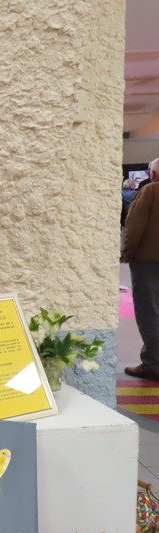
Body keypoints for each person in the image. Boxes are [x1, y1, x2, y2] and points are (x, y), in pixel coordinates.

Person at [123, 157, 159, 381]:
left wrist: (126, 253)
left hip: (149, 261)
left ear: (152, 174)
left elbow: (134, 227)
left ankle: (153, 365)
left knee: (150, 314)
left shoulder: (150, 191)